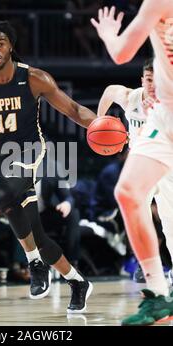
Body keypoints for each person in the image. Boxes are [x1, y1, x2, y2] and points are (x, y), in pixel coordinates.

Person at [0, 20, 96, 313]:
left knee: (2, 197)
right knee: (38, 236)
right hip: (0, 158)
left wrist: (102, 125)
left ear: (10, 46)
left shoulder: (34, 78)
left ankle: (34, 264)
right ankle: (77, 281)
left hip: (31, 150)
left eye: (0, 43)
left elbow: (73, 110)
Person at [92, 1, 173, 325]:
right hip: (164, 117)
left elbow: (120, 50)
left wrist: (111, 34)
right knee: (127, 192)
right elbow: (122, 56)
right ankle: (157, 296)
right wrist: (99, 119)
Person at [98, 59, 173, 283]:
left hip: (165, 167)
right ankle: (145, 263)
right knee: (134, 210)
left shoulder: (168, 104)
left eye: (157, 81)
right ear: (142, 80)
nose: (152, 86)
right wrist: (99, 120)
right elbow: (110, 91)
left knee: (170, 223)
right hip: (141, 167)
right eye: (149, 80)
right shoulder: (132, 98)